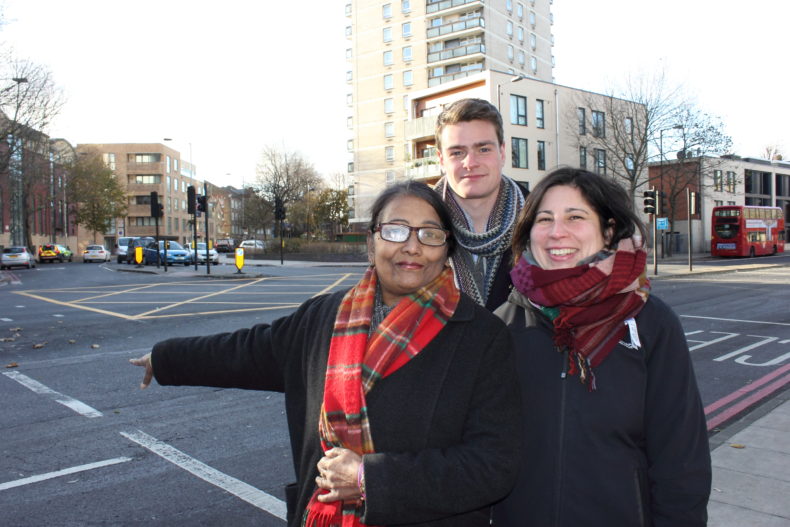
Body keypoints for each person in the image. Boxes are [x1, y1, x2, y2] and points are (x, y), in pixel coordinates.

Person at [130, 181, 521, 527]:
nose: (412, 246)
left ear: (446, 248)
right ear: (372, 243)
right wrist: (164, 358)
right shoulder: (323, 317)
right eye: (396, 229)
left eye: (430, 234)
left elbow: (492, 466)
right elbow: (246, 351)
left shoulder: (481, 335)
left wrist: (371, 479)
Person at [493, 167, 711, 526]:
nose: (556, 232)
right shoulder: (502, 325)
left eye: (575, 217)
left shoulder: (652, 323)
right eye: (544, 219)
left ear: (608, 230)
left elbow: (681, 460)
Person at [433, 98, 526, 311]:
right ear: (441, 159)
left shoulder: (540, 221)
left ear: (502, 152)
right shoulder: (418, 227)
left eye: (483, 149)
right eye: (457, 152)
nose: (470, 163)